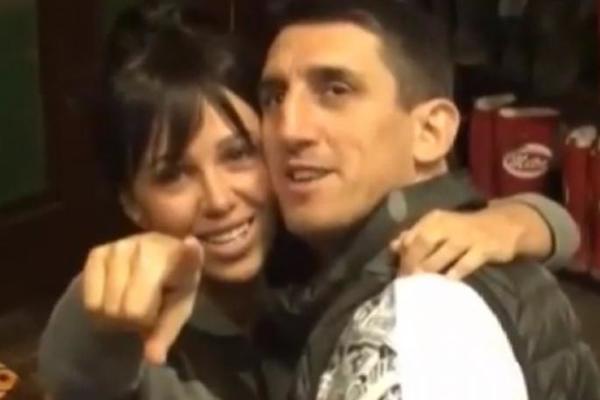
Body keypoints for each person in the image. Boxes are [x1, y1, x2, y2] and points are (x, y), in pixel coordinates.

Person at [39, 2, 583, 400]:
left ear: (432, 130)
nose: (219, 198)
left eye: (238, 154)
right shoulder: (310, 274)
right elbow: (77, 376)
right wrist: (98, 304)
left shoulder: (393, 282)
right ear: (132, 203)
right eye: (174, 175)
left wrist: (520, 220)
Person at [257, 0, 600, 399]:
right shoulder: (315, 277)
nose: (289, 129)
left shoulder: (431, 309)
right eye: (274, 98)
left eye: (336, 91)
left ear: (431, 132)